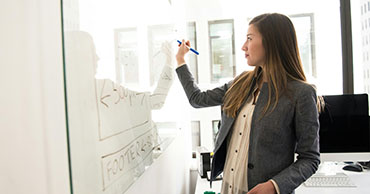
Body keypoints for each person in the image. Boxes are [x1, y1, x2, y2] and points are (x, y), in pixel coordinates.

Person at [175, 13, 320, 194]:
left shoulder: (301, 93)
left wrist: (274, 186)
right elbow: (197, 99)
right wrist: (181, 60)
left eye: (250, 39)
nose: (244, 46)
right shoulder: (241, 83)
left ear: (272, 42)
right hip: (228, 188)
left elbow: (310, 158)